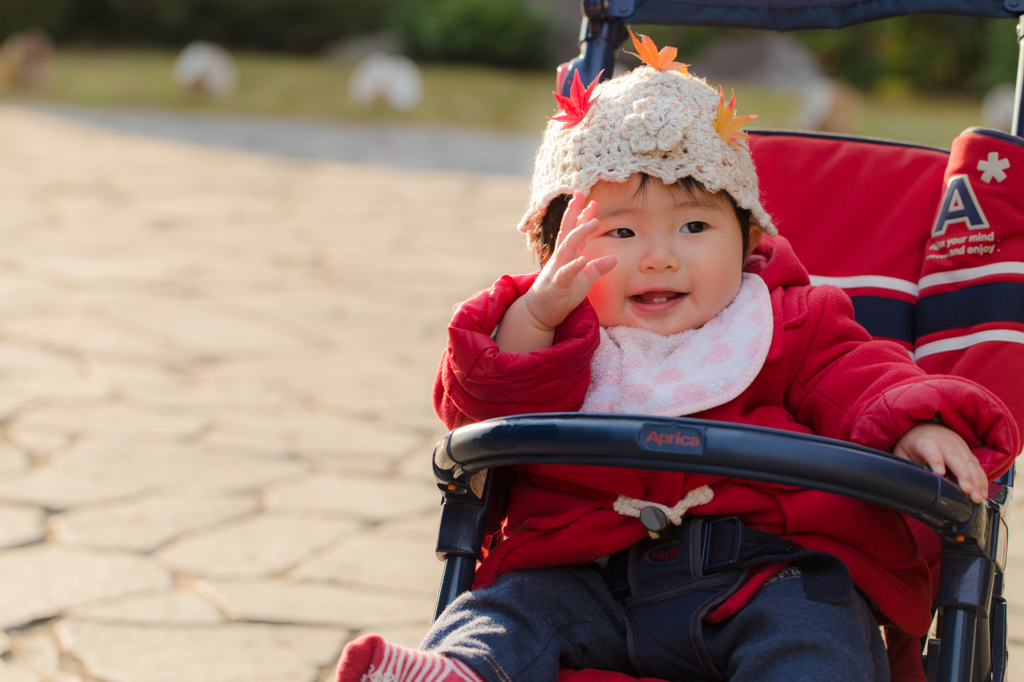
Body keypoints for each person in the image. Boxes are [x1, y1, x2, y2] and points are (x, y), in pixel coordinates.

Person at [336, 31, 1019, 682]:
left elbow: (861, 379)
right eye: (622, 231)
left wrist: (914, 425)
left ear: (749, 236)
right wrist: (536, 315)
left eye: (694, 225)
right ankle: (461, 670)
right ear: (555, 252)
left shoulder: (786, 320)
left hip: (759, 571)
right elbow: (482, 406)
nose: (660, 254)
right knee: (506, 613)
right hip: (582, 576)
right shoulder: (554, 334)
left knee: (816, 626)